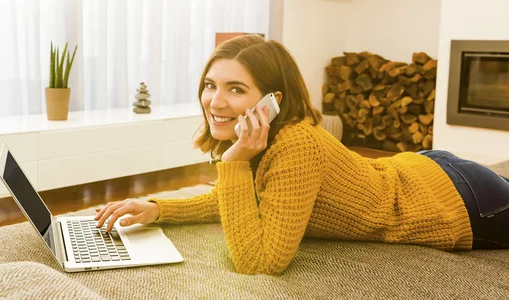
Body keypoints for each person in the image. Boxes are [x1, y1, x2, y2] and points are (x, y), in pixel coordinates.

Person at [94, 34, 509, 275]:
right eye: (210, 84)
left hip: (461, 202)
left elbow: (259, 261)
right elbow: (252, 198)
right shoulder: (266, 138)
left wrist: (234, 162)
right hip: (423, 166)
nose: (215, 101)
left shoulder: (295, 145)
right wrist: (157, 209)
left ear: (272, 100)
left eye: (235, 89)